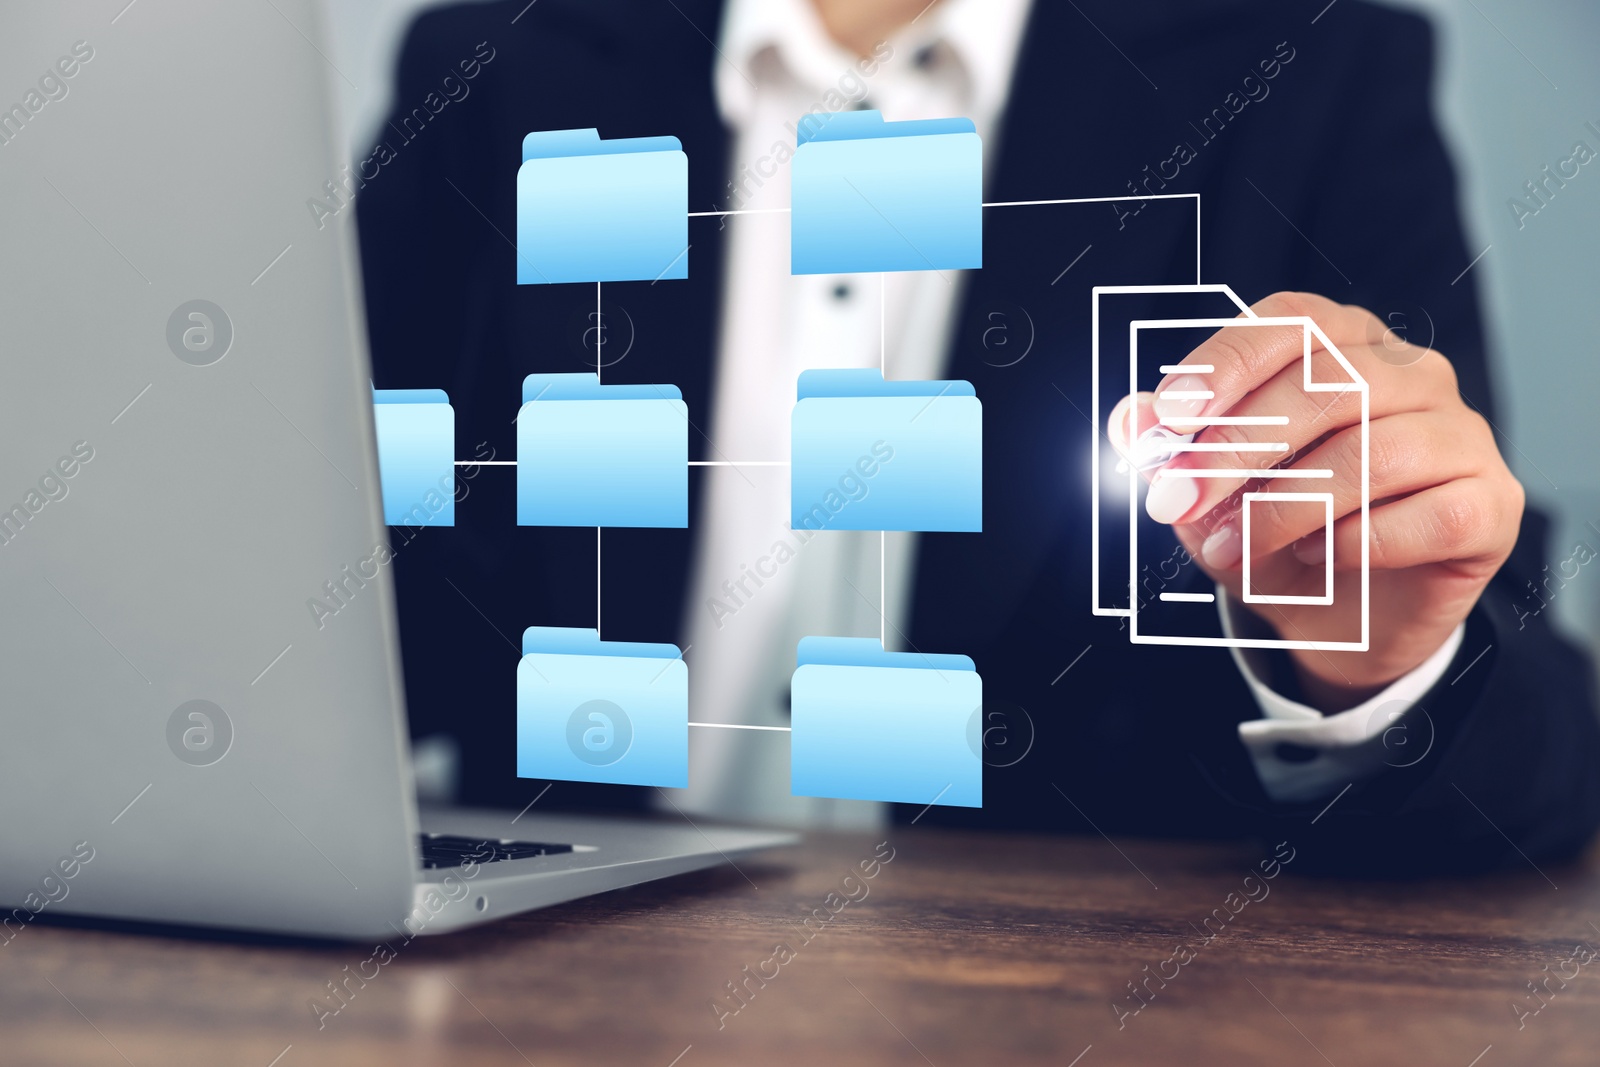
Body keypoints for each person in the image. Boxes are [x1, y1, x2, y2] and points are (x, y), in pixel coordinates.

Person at [356, 0, 1600, 874]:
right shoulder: (491, 65)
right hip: (542, 990)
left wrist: (1376, 666)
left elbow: (1532, 752)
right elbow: (349, 574)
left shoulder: (1314, 69)